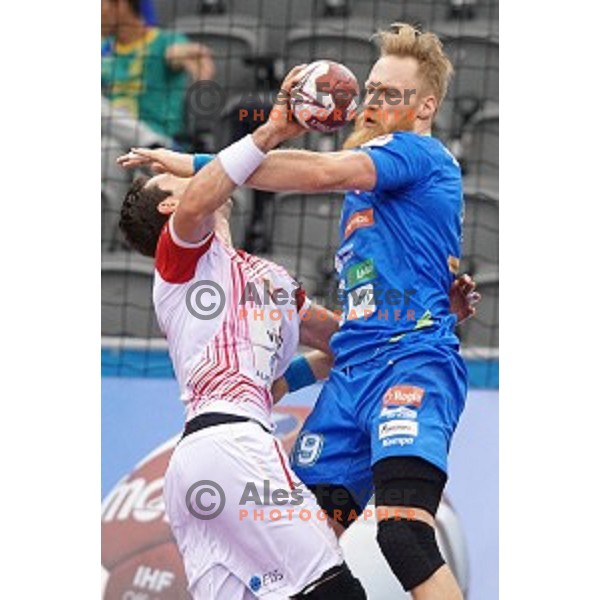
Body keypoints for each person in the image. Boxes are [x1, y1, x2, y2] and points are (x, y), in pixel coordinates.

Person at [119, 23, 478, 597]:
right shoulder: (202, 253)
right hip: (343, 383)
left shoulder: (412, 154)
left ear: (425, 106)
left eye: (392, 93)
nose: (374, 101)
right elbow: (346, 334)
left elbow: (314, 173)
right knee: (306, 555)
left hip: (407, 364)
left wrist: (194, 160)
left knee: (403, 539)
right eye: (372, 89)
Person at [101, 0, 215, 249]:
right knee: (107, 149)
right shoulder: (103, 49)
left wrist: (196, 63)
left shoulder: (163, 43)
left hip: (161, 146)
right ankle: (111, 249)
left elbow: (193, 54)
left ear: (117, 6)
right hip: (117, 146)